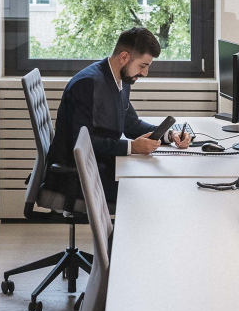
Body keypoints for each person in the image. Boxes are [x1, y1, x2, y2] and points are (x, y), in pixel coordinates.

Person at [44, 26, 191, 204]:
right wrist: (132, 147)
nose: (145, 73)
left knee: (157, 182)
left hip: (102, 165)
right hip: (79, 177)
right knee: (153, 191)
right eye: (143, 66)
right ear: (124, 57)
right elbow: (81, 142)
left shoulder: (121, 79)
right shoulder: (88, 84)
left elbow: (131, 124)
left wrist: (170, 135)